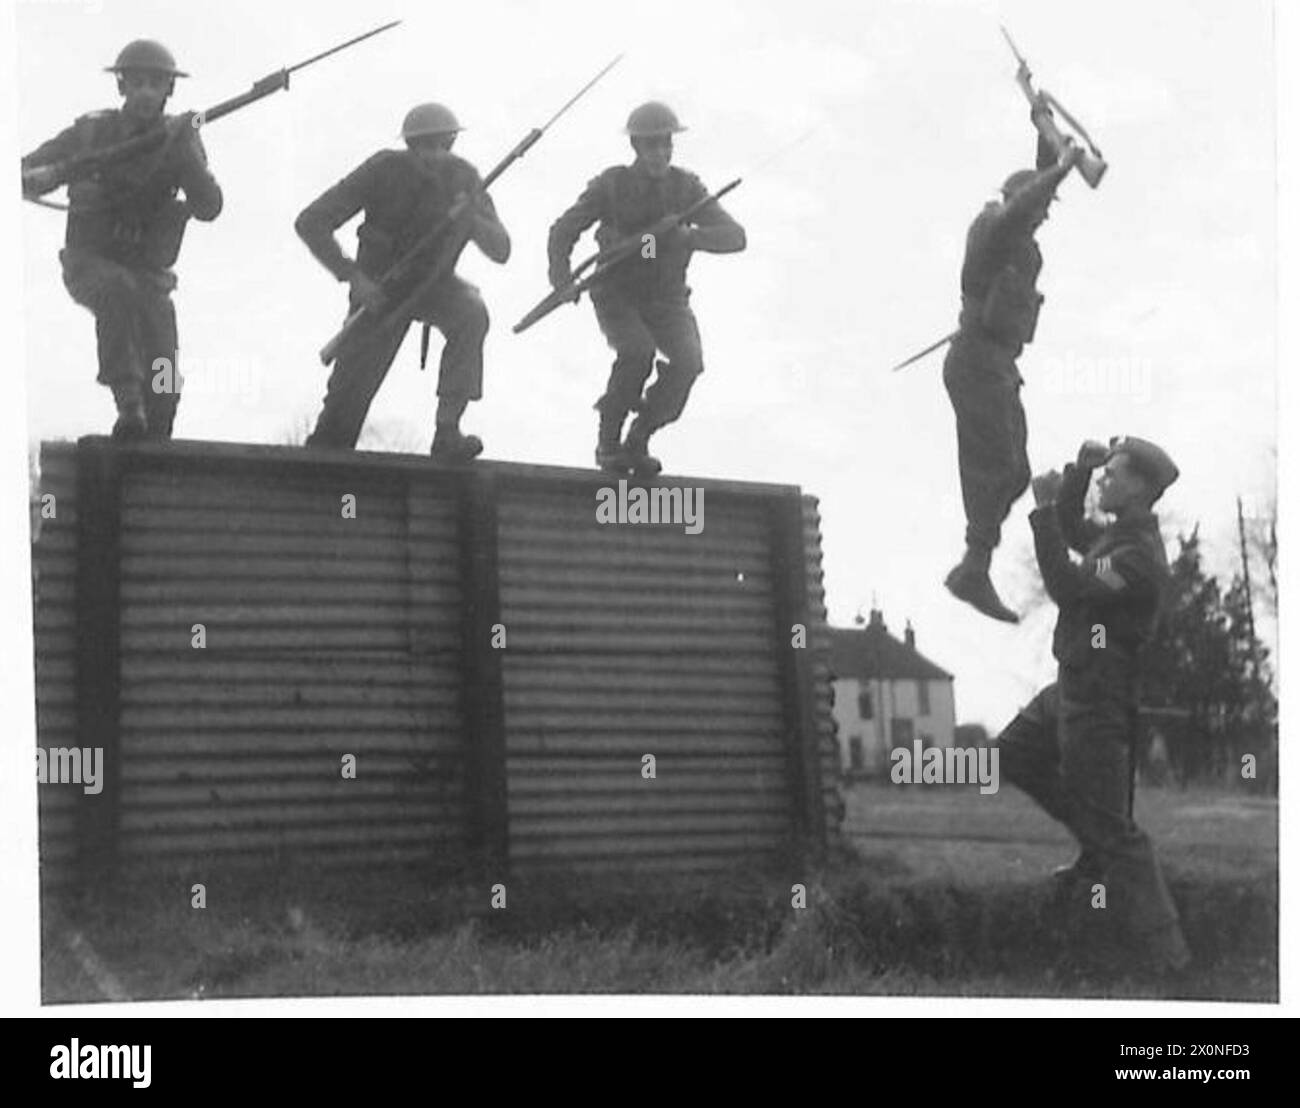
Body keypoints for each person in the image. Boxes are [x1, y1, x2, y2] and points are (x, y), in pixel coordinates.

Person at [997, 435, 1191, 974]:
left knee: (1116, 832)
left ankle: (1169, 956)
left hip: (1100, 696)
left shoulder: (1136, 558)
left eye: (1111, 474)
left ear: (1140, 488)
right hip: (1074, 685)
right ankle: (1093, 847)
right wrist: (1078, 476)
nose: (1104, 482)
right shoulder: (1115, 538)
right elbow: (1074, 531)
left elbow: (1069, 585)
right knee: (1012, 752)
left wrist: (1039, 509)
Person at [21, 40, 223, 441]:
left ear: (169, 90)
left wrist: (185, 153)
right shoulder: (90, 132)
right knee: (117, 291)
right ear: (122, 87)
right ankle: (128, 402)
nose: (147, 92)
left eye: (157, 83)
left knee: (164, 368)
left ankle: (154, 437)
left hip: (149, 275)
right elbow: (30, 166)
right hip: (89, 263)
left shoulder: (179, 138)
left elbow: (209, 207)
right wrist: (39, 177)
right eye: (138, 82)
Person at [296, 103, 510, 460]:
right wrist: (353, 277)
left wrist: (472, 217)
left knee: (472, 313)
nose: (433, 155)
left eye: (442, 144)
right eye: (424, 146)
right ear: (409, 145)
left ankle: (447, 431)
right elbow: (312, 221)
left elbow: (501, 249)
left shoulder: (465, 179)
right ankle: (323, 466)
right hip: (379, 293)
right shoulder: (383, 169)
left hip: (433, 287)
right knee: (343, 410)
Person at [546, 101, 745, 476]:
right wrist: (562, 279)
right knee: (637, 352)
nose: (660, 153)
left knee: (688, 362)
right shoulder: (612, 184)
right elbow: (564, 230)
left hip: (667, 297)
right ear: (636, 147)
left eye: (666, 145)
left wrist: (687, 237)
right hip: (617, 291)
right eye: (652, 146)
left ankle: (639, 437)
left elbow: (735, 237)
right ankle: (608, 441)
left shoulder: (687, 187)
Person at [942, 100, 1083, 622]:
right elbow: (1022, 206)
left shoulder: (1021, 246)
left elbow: (1032, 199)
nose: (1045, 214)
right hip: (977, 360)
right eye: (1041, 205)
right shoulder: (992, 228)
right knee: (1000, 465)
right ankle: (974, 565)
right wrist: (1059, 170)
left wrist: (1047, 146)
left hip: (996, 362)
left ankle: (973, 565)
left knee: (1017, 471)